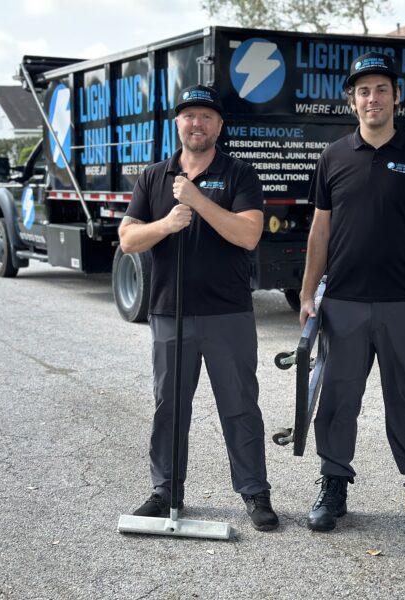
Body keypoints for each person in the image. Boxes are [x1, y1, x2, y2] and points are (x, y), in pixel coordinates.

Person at [299, 52, 405, 538]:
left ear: (396, 97)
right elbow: (319, 234)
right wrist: (307, 293)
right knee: (338, 400)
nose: (373, 98)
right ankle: (334, 485)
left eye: (382, 89)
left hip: (404, 303)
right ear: (352, 101)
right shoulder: (333, 157)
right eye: (364, 91)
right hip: (343, 303)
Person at [118, 85, 279, 531]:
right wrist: (167, 223)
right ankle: (166, 492)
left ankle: (254, 492)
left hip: (228, 313)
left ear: (219, 126)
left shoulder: (239, 173)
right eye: (189, 116)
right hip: (170, 312)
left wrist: (196, 200)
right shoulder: (154, 177)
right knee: (169, 406)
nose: (197, 124)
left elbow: (248, 235)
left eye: (206, 116)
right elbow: (128, 239)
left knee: (240, 405)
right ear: (178, 124)